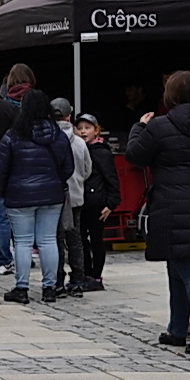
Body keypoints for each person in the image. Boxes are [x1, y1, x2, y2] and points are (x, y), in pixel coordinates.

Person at [126, 71, 190, 356]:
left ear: (169, 96)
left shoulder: (159, 126)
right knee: (178, 261)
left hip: (172, 201)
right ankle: (177, 329)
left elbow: (135, 156)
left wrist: (139, 127)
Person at [0, 90, 76, 304]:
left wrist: (3, 191)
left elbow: (0, 168)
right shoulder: (58, 135)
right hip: (51, 195)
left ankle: (22, 288)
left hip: (19, 195)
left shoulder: (13, 135)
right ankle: (50, 288)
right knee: (48, 241)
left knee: (22, 242)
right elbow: (68, 167)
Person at [0, 64, 35, 275]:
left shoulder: (0, 103)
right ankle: (13, 257)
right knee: (18, 215)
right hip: (17, 166)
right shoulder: (30, 103)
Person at [51, 98, 91, 297]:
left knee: (55, 239)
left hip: (54, 197)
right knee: (75, 240)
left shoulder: (47, 139)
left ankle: (57, 279)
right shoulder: (80, 143)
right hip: (75, 197)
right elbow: (87, 170)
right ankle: (77, 280)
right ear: (69, 116)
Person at [76, 114, 117, 291]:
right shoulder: (78, 149)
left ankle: (96, 275)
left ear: (96, 130)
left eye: (87, 128)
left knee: (97, 240)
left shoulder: (101, 152)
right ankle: (86, 272)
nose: (83, 131)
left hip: (97, 203)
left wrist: (111, 203)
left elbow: (112, 179)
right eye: (80, 128)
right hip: (81, 201)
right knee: (81, 239)